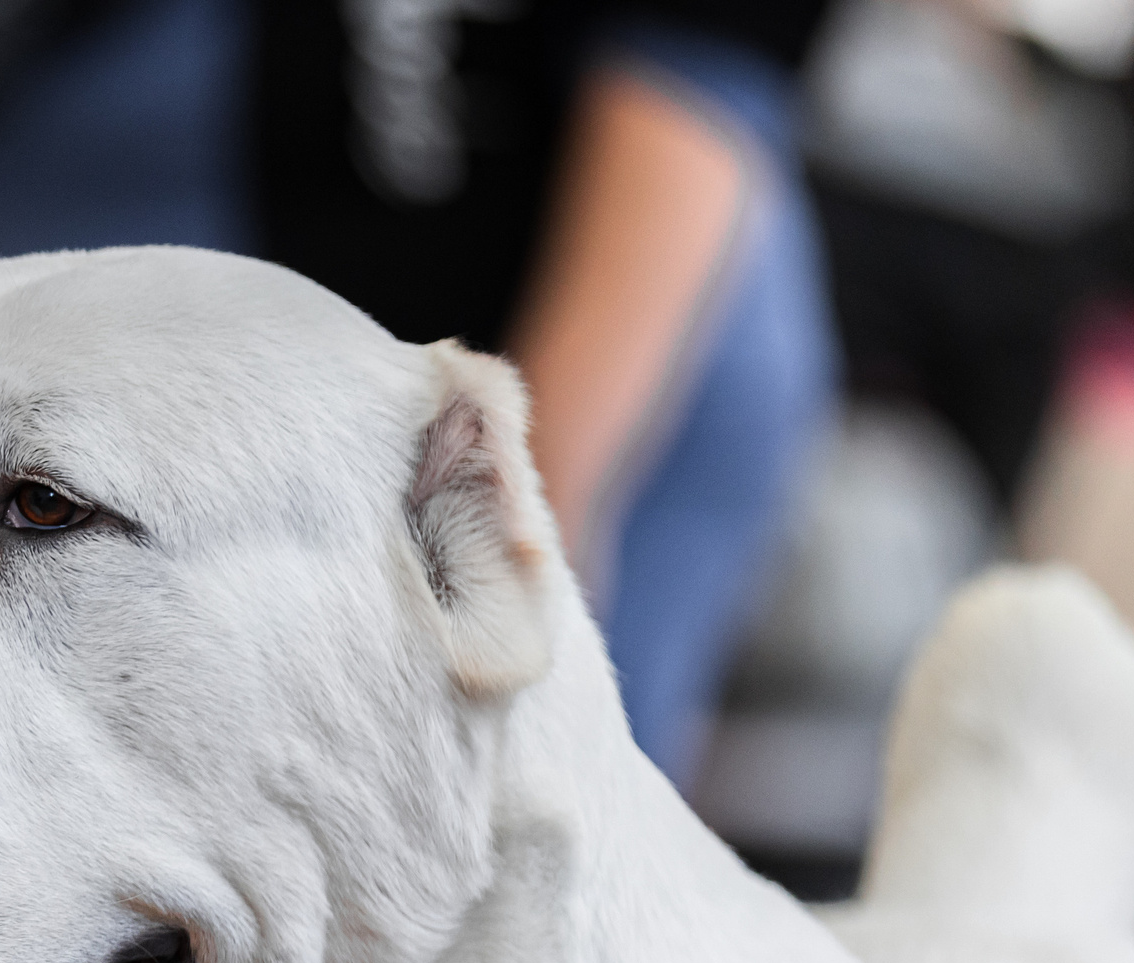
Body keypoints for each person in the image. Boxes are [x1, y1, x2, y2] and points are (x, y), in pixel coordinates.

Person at [259, 0, 838, 785]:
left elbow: (692, 79)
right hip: (359, 322)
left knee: (511, 819)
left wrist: (534, 501)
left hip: (606, 347)